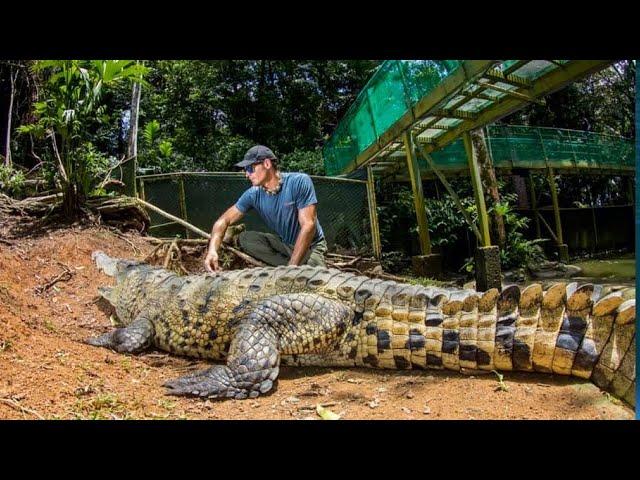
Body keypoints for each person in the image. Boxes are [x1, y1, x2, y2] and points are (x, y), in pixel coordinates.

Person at [204, 145, 327, 272]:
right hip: (285, 245)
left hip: (311, 246)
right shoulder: (253, 194)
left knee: (314, 269)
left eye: (249, 168)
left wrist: (291, 268)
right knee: (246, 239)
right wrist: (212, 250)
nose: (247, 174)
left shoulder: (299, 181)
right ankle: (293, 266)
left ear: (267, 164)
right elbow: (223, 221)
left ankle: (293, 267)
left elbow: (309, 226)